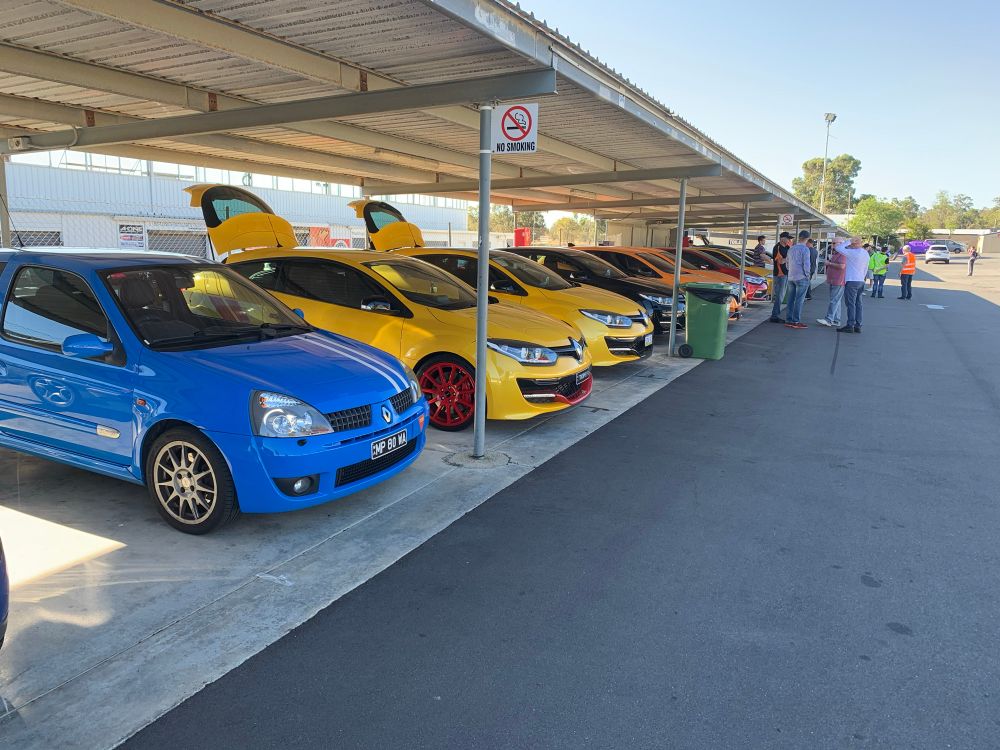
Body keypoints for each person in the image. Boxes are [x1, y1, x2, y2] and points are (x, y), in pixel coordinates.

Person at [836, 236, 869, 333]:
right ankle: (858, 325)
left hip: (851, 280)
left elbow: (838, 248)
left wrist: (849, 241)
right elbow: (866, 268)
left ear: (853, 244)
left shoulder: (852, 252)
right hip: (860, 280)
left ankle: (850, 325)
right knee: (858, 303)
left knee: (850, 304)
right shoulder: (865, 253)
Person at [784, 230, 812, 329]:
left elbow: (787, 263)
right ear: (807, 239)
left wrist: (790, 270)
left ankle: (788, 319)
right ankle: (796, 321)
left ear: (799, 237)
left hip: (791, 276)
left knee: (790, 299)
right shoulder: (805, 250)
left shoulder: (791, 249)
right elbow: (806, 264)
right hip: (801, 277)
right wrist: (807, 275)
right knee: (799, 300)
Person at [817, 237, 847, 327]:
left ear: (841, 243)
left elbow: (842, 266)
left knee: (834, 300)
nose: (832, 245)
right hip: (835, 280)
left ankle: (829, 319)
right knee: (836, 301)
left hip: (838, 280)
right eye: (832, 243)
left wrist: (829, 263)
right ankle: (836, 320)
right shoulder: (837, 253)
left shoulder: (842, 253)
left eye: (834, 243)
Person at [769, 232, 792, 322]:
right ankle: (774, 316)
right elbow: (781, 261)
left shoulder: (787, 247)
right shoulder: (777, 247)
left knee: (781, 296)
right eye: (787, 238)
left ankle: (775, 315)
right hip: (780, 274)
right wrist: (789, 257)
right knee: (779, 296)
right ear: (782, 238)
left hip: (786, 274)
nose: (789, 240)